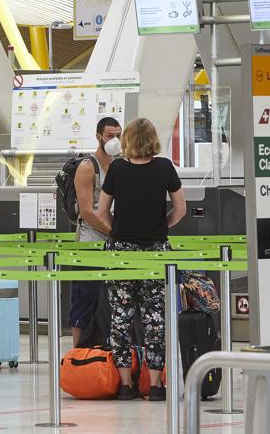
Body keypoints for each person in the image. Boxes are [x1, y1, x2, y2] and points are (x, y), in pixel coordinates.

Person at [87, 118, 185, 402]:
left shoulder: (117, 168)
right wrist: (159, 227)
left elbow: (102, 211)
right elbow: (180, 209)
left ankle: (125, 385)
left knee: (120, 317)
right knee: (155, 319)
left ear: (127, 139)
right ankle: (155, 386)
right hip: (156, 252)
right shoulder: (165, 167)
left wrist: (121, 229)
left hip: (121, 252)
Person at [69, 117, 121, 347]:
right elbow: (87, 211)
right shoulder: (88, 167)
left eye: (119, 135)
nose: (115, 141)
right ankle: (78, 355)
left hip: (113, 241)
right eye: (110, 136)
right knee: (85, 299)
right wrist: (113, 233)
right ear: (98, 136)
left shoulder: (119, 165)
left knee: (112, 301)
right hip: (91, 242)